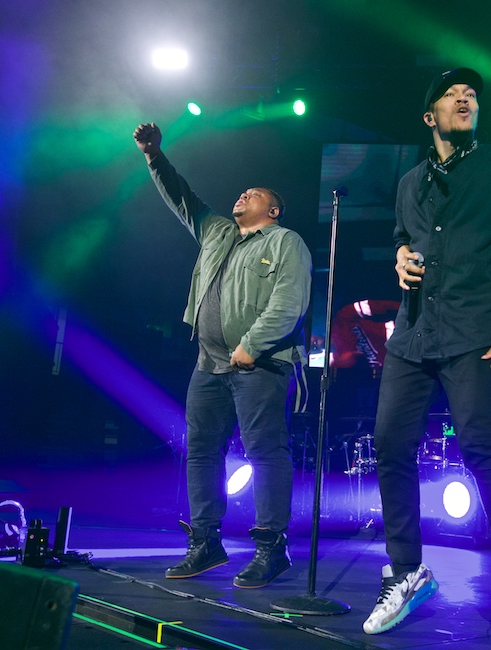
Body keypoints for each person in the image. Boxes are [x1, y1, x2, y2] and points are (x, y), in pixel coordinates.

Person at [362, 68, 491, 650]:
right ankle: (406, 572)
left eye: (471, 93)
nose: (465, 97)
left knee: (482, 446)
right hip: (416, 333)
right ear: (431, 117)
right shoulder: (410, 182)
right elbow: (403, 239)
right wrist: (400, 257)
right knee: (390, 444)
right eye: (451, 94)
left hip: (477, 332)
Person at [133, 122, 312, 588]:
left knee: (265, 452)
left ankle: (272, 548)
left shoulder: (284, 242)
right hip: (208, 363)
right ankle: (206, 543)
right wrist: (155, 156)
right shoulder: (215, 232)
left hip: (260, 364)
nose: (241, 195)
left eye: (252, 194)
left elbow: (288, 304)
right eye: (240, 191)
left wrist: (250, 347)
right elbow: (182, 197)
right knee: (201, 451)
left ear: (271, 209)